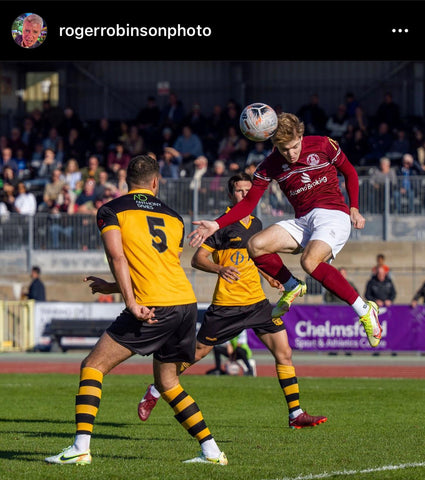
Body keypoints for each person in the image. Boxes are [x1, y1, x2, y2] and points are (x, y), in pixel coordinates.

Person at [45, 154, 227, 466]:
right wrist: (114, 287)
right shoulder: (173, 217)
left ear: (126, 181)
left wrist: (129, 301)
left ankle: (80, 448)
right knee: (168, 382)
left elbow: (119, 259)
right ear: (156, 182)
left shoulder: (111, 209)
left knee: (93, 366)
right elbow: (158, 267)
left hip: (151, 304)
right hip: (184, 303)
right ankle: (211, 451)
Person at [135, 173, 327, 429]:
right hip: (228, 306)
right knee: (196, 354)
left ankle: (295, 414)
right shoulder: (221, 225)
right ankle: (156, 389)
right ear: (230, 194)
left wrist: (269, 276)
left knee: (284, 353)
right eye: (239, 191)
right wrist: (219, 270)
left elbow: (255, 258)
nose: (245, 195)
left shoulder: (257, 224)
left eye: (249, 190)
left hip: (258, 304)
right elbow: (197, 259)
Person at [188, 112, 383, 348]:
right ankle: (292, 285)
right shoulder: (269, 165)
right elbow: (249, 203)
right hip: (303, 221)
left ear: (300, 136)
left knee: (309, 262)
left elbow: (350, 172)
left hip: (332, 215)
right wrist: (216, 224)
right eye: (283, 149)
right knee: (255, 245)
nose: (290, 154)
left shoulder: (322, 144)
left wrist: (354, 208)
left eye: (293, 147)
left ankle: (365, 310)